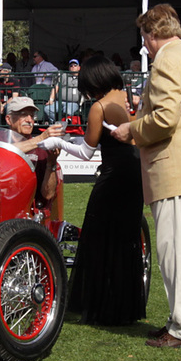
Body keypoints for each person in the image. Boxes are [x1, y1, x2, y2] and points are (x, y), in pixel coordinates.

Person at [112, 3, 181, 350]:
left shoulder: (167, 60)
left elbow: (165, 118)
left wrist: (132, 130)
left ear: (152, 33)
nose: (145, 45)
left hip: (173, 167)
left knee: (175, 250)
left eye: (145, 37)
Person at [46, 56, 145, 326]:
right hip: (135, 173)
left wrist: (57, 141)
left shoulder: (99, 107)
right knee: (125, 239)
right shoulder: (126, 96)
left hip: (114, 176)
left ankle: (100, 306)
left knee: (97, 235)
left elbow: (86, 152)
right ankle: (122, 306)